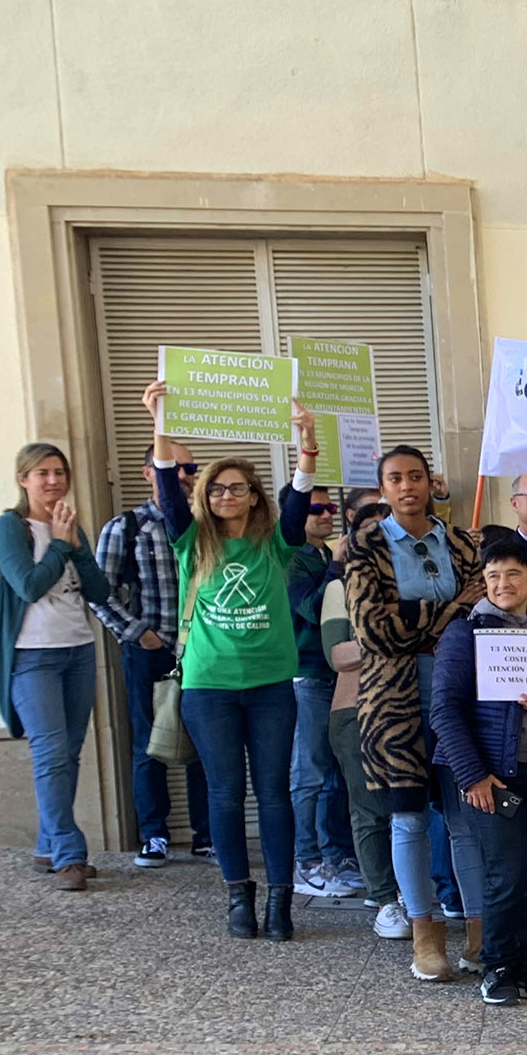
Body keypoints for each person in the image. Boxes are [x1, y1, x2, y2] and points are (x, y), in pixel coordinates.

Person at [146, 385, 319, 938]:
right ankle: (238, 899)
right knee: (224, 793)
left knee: (274, 793)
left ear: (252, 496)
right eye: (216, 488)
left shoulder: (277, 542)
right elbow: (167, 493)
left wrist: (307, 444)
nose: (226, 496)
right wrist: (161, 423)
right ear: (205, 495)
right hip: (208, 687)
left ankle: (279, 903)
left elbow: (299, 494)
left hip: (271, 686)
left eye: (237, 488)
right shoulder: (191, 541)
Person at [345, 443, 483, 978]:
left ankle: (478, 932)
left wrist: (424, 617)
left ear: (430, 483)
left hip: (458, 691)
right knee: (407, 819)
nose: (407, 486)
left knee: (466, 815)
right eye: (395, 479)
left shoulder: (458, 541)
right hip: (393, 701)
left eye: (416, 476)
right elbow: (374, 630)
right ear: (383, 489)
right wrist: (451, 608)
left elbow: (482, 614)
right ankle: (425, 935)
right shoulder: (364, 545)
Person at [428, 533, 527, 1005]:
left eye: (513, 574)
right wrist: (472, 775)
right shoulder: (464, 634)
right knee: (506, 875)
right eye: (492, 575)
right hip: (490, 777)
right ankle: (496, 966)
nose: (502, 583)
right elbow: (444, 711)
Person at [0, 443, 114, 893]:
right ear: (23, 479)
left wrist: (76, 546)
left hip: (77, 649)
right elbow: (28, 585)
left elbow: (99, 591)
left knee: (67, 754)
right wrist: (60, 546)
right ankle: (69, 854)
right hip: (31, 654)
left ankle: (48, 843)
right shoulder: (9, 527)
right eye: (41, 472)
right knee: (49, 754)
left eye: (59, 471)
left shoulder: (68, 524)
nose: (52, 480)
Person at [92, 439, 206, 865]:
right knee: (148, 744)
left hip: (201, 651)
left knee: (205, 743)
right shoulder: (126, 527)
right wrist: (139, 633)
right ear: (149, 473)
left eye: (188, 469)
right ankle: (154, 835)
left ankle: (206, 835)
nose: (182, 476)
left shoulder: (204, 526)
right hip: (149, 650)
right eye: (171, 468)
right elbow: (99, 592)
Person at [283, 485, 359, 898]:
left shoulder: (319, 554)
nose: (327, 514)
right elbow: (312, 609)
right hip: (309, 673)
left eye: (331, 507)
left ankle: (335, 856)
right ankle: (306, 860)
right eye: (316, 509)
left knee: (334, 771)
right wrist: (335, 565)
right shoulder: (293, 559)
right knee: (309, 769)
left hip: (337, 674)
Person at [324, 500, 397, 924]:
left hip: (405, 705)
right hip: (354, 709)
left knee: (411, 811)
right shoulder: (340, 588)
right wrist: (397, 633)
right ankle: (383, 895)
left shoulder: (413, 585)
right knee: (369, 808)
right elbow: (338, 654)